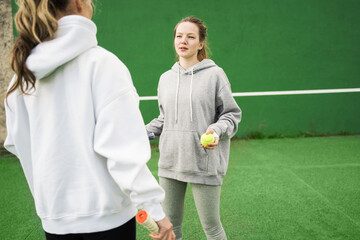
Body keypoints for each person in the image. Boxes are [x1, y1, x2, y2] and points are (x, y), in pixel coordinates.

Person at [4, 0, 175, 239]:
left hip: (55, 221)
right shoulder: (103, 64)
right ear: (78, 3)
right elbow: (123, 150)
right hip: (110, 220)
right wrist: (154, 210)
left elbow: (18, 144)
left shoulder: (21, 79)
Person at [146, 17, 241, 240]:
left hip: (203, 162)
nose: (183, 41)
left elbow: (231, 114)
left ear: (200, 44)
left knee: (212, 227)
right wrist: (139, 132)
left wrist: (216, 130)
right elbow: (164, 119)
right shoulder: (165, 78)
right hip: (171, 161)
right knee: (170, 227)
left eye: (190, 36)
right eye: (179, 36)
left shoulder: (215, 75)